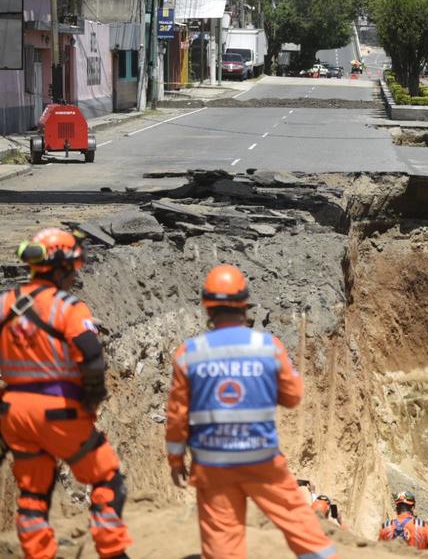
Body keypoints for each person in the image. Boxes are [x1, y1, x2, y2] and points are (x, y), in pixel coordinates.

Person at [164, 264, 336, 559]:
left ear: (207, 306)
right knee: (303, 529)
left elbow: (177, 416)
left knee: (223, 546)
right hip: (260, 457)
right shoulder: (269, 346)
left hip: (212, 463)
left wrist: (176, 460)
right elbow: (293, 396)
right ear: (244, 304)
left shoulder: (187, 353)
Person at [0, 228, 132, 559]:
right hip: (58, 411)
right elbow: (90, 354)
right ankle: (112, 552)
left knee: (33, 493)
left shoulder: (4, 303)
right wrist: (93, 397)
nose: (75, 274)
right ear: (60, 268)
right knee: (107, 480)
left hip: (13, 413)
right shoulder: (67, 308)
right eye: (72, 267)